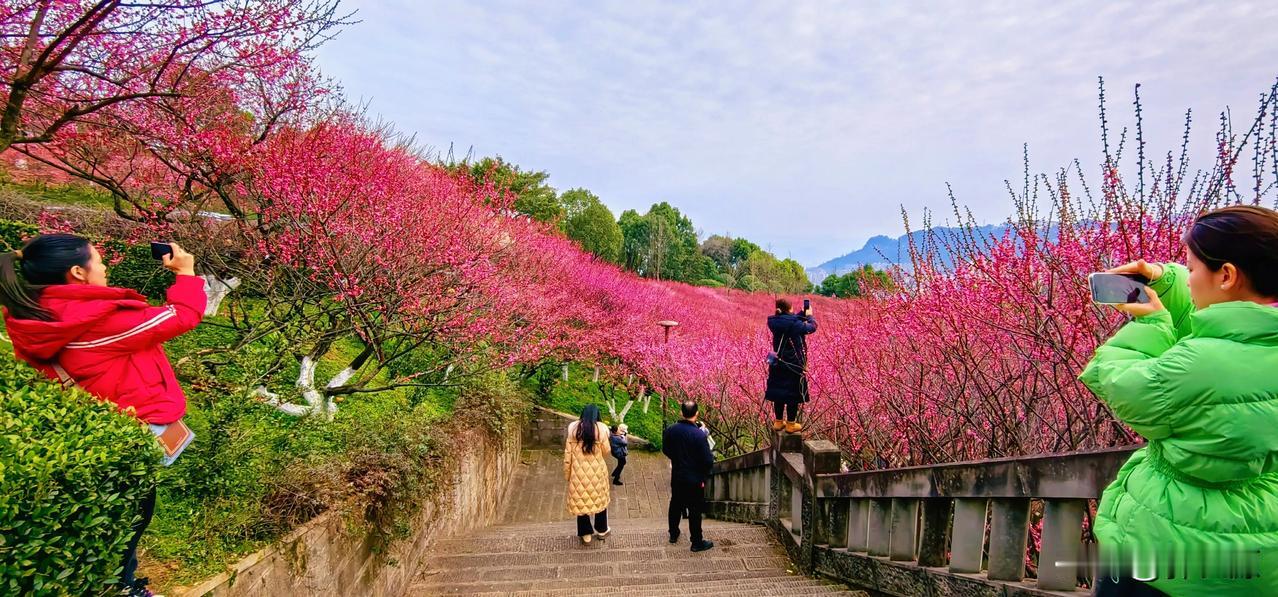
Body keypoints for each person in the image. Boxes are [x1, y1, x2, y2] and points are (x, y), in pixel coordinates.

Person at [1079, 205, 1278, 596]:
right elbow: (1226, 329)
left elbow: (1121, 382)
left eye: (1191, 268)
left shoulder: (1198, 364)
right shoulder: (1256, 340)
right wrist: (1163, 279)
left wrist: (1150, 325)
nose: (1187, 278)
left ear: (1227, 275)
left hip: (1168, 556)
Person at [0, 235, 205, 597]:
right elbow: (182, 316)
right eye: (99, 259)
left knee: (118, 517)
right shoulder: (95, 319)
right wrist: (186, 274)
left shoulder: (33, 311)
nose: (106, 265)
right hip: (130, 425)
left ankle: (120, 580)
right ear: (77, 272)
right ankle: (124, 587)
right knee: (131, 517)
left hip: (94, 423)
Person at [663, 400, 715, 552]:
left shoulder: (671, 430)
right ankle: (696, 542)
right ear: (697, 413)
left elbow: (666, 450)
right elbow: (707, 460)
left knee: (675, 504)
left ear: (681, 413)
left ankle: (673, 533)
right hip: (695, 478)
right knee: (694, 509)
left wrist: (677, 458)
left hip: (678, 474)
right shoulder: (699, 435)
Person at [765, 298, 817, 433]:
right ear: (789, 309)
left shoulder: (773, 321)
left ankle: (778, 421)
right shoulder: (794, 324)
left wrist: (802, 312)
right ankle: (790, 424)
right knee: (792, 394)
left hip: (777, 363)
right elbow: (812, 328)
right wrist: (810, 316)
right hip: (793, 364)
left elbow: (790, 320)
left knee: (779, 392)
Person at [563, 404, 611, 544]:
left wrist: (568, 475)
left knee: (581, 502)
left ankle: (586, 535)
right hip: (597, 473)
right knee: (600, 501)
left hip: (578, 474)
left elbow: (567, 457)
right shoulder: (601, 429)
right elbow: (606, 451)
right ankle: (602, 530)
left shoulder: (573, 430)